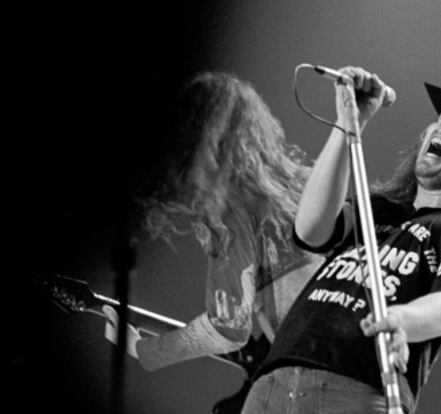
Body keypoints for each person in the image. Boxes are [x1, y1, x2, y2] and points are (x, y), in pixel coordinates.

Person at [229, 66, 441, 414]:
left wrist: (404, 319)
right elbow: (310, 229)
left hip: (355, 392)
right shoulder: (379, 208)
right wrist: (349, 125)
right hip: (272, 385)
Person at [103, 72, 322, 378]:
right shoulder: (304, 184)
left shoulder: (234, 212)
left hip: (316, 375)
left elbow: (228, 327)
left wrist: (144, 350)